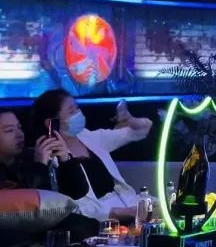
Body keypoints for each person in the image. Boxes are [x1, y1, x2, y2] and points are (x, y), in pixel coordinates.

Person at [29, 90, 153, 222]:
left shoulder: (89, 137)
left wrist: (128, 119)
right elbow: (65, 207)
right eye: (71, 111)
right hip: (98, 220)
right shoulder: (48, 157)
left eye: (77, 108)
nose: (78, 113)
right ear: (51, 123)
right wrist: (116, 213)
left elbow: (141, 130)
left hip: (127, 205)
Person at [0, 111, 59, 191]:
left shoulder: (30, 158)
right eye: (9, 130)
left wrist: (66, 161)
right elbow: (25, 197)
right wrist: (39, 166)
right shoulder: (37, 160)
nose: (19, 134)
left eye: (19, 127)